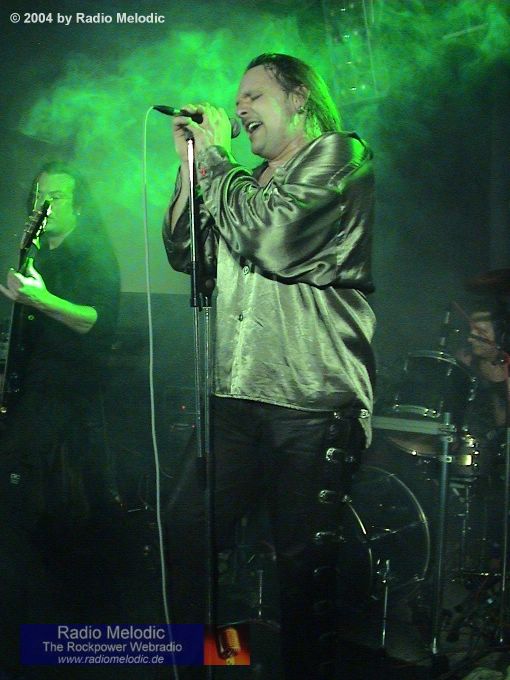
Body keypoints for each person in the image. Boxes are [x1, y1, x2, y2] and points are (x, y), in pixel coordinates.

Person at [163, 53, 375, 679]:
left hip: (310, 401)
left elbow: (274, 238)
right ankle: (218, 661)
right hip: (234, 395)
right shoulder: (240, 183)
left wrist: (215, 159)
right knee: (187, 536)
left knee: (302, 573)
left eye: (254, 95)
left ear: (300, 98)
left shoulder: (340, 155)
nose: (240, 108)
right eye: (238, 100)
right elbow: (186, 255)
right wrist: (191, 170)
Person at [0, 161, 120, 677]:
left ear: (79, 206)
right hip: (33, 394)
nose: (43, 206)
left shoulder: (91, 252)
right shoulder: (39, 253)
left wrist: (41, 298)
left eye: (56, 197)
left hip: (71, 399)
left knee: (60, 514)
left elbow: (96, 320)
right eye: (39, 195)